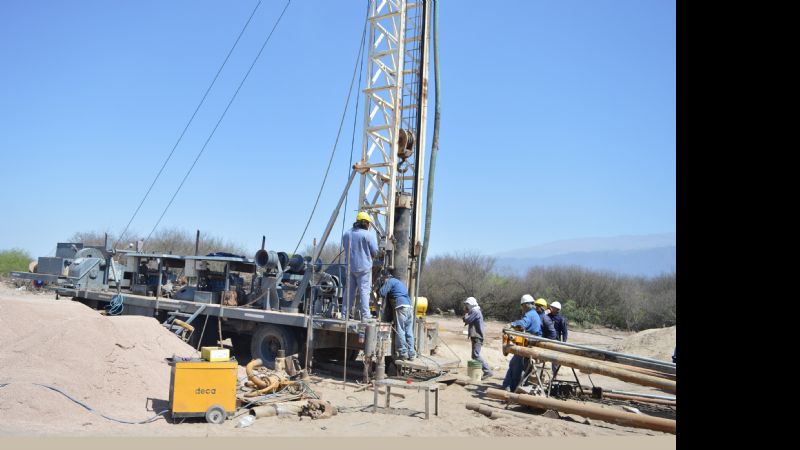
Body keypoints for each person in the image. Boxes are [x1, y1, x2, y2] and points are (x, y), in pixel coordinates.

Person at [341, 211, 379, 322]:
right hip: (364, 268)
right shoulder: (368, 235)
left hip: (349, 267)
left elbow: (345, 246)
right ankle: (365, 316)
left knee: (348, 292)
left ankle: (344, 315)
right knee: (364, 292)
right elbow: (375, 252)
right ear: (366, 223)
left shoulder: (347, 234)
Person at [502, 294, 542, 392]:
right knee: (524, 367)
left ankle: (509, 387)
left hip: (527, 344)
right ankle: (519, 386)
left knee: (515, 364)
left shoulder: (530, 314)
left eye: (523, 306)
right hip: (532, 343)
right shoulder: (535, 314)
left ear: (526, 305)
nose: (522, 308)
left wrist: (512, 324)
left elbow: (523, 323)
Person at [378, 271, 416, 360]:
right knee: (409, 331)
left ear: (386, 277)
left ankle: (403, 352)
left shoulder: (390, 281)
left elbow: (382, 292)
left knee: (401, 329)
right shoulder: (399, 283)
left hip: (401, 306)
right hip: (409, 307)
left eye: (384, 280)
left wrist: (381, 286)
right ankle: (412, 353)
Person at [462, 297, 493, 379]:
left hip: (477, 336)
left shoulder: (475, 311)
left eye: (467, 304)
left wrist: (465, 313)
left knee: (476, 355)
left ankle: (487, 371)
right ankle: (480, 372)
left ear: (471, 304)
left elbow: (467, 320)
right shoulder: (474, 311)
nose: (466, 306)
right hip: (476, 336)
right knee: (474, 355)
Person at [548, 301, 568, 377]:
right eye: (551, 307)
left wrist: (564, 342)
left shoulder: (561, 319)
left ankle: (554, 376)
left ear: (557, 309)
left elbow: (565, 332)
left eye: (553, 307)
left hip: (556, 341)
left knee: (555, 360)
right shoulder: (547, 316)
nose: (551, 308)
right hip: (546, 340)